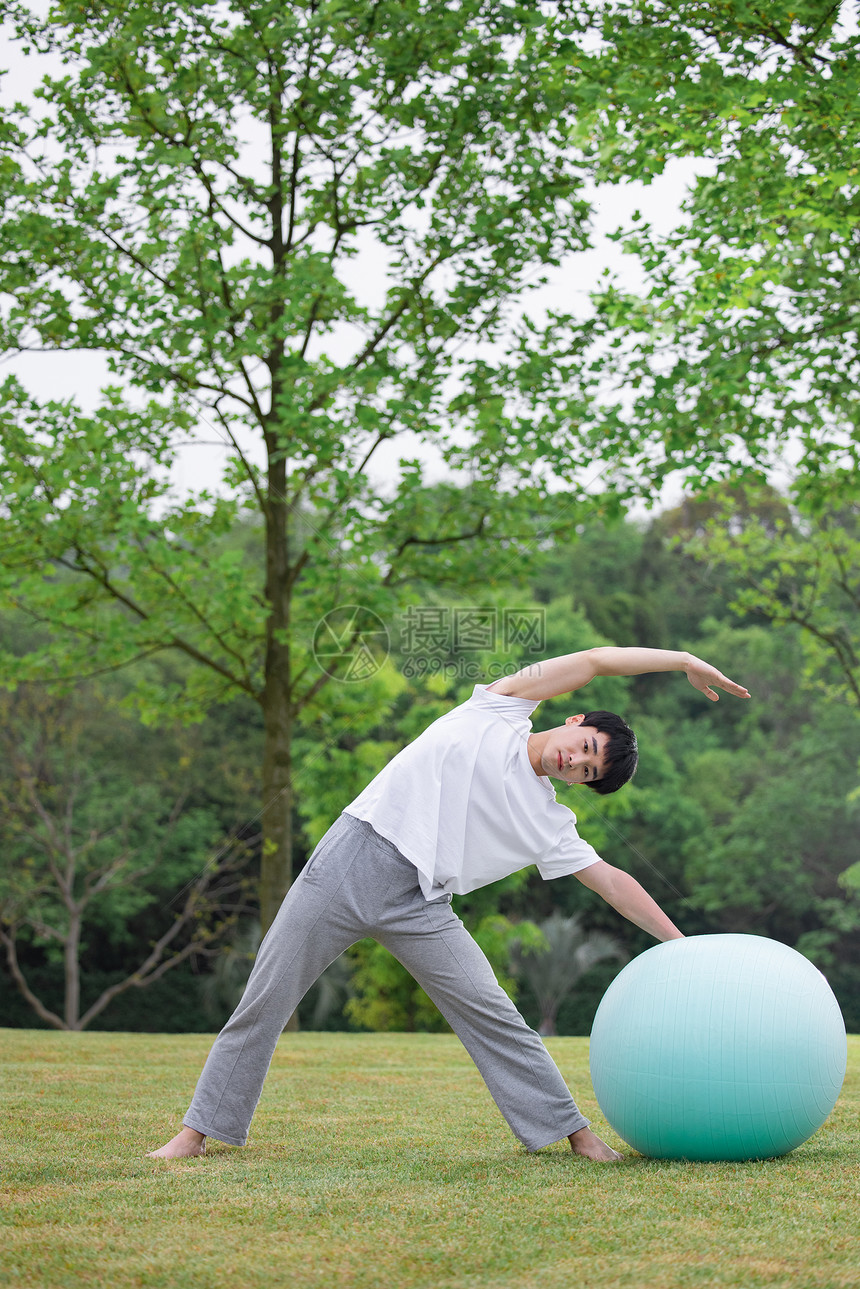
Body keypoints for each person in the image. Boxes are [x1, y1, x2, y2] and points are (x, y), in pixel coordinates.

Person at [147, 645, 750, 1164]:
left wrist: (682, 947)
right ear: (574, 720)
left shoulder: (549, 825)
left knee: (495, 1014)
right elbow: (595, 661)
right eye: (586, 745)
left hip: (422, 904)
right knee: (267, 996)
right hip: (353, 860)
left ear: (581, 786)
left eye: (588, 771)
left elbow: (614, 882)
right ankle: (196, 1134)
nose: (577, 761)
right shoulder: (500, 707)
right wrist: (683, 662)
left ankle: (574, 1135)